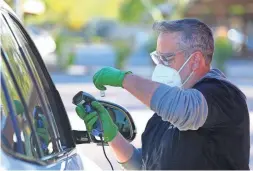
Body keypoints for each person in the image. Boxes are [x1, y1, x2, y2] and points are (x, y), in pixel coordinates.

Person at [75, 19, 250, 170]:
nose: (160, 68)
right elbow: (143, 164)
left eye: (167, 59)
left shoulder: (223, 95)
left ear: (195, 60)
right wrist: (112, 135)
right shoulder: (162, 116)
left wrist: (124, 79)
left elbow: (182, 109)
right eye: (158, 59)